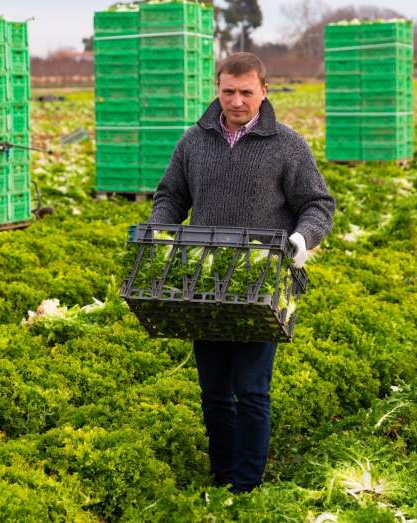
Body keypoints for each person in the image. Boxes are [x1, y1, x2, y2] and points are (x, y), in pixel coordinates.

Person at [148, 52, 336, 493]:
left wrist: (303, 239)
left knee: (251, 390)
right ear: (217, 89)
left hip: (260, 283)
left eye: (246, 92)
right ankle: (223, 473)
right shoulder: (193, 142)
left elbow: (318, 204)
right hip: (204, 280)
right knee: (214, 391)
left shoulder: (287, 145)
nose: (236, 101)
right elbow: (171, 195)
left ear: (264, 91)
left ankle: (247, 484)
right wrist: (161, 232)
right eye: (228, 91)